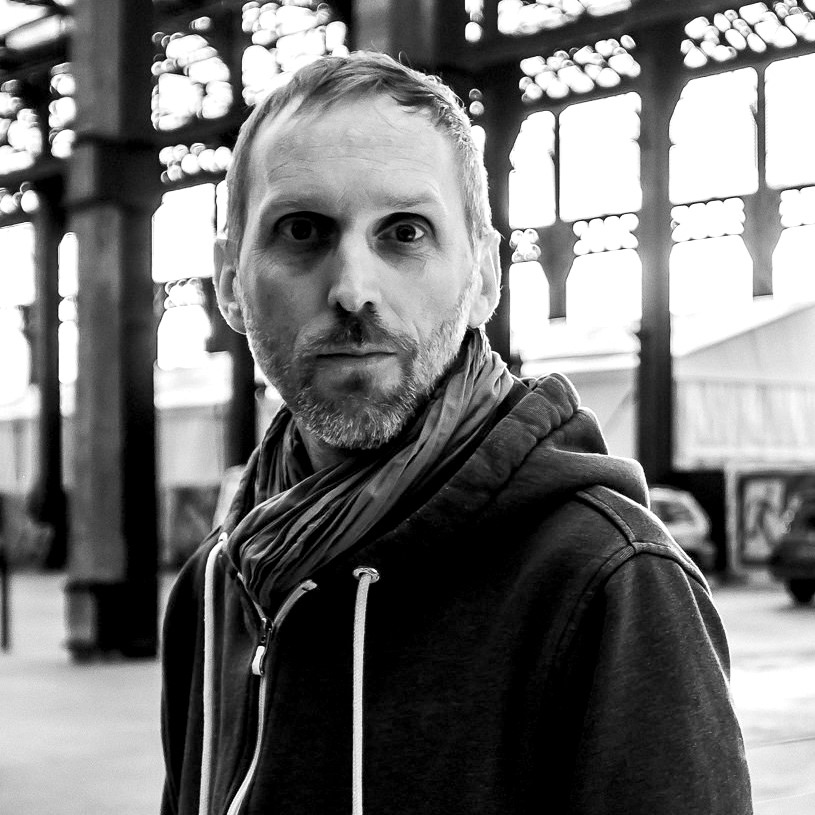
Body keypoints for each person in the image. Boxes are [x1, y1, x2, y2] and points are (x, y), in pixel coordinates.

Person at [160, 51, 752, 815]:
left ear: (484, 275)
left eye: (404, 232)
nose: (352, 290)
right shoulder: (212, 589)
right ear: (229, 283)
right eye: (302, 230)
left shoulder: (607, 582)